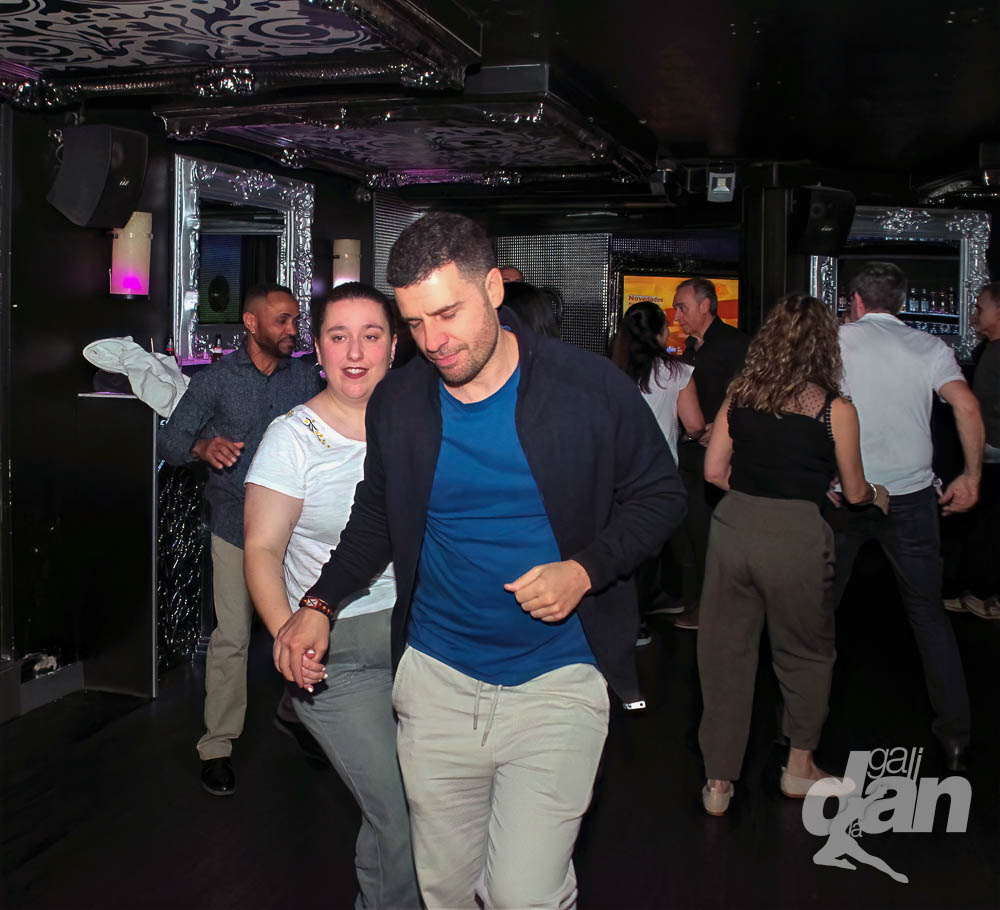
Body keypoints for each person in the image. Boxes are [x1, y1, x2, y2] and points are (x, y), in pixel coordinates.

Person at [273, 212, 686, 909]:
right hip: (436, 682)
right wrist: (318, 602)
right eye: (415, 323)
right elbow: (377, 515)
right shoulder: (401, 400)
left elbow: (662, 496)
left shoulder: (588, 388)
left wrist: (585, 569)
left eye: (448, 314)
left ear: (493, 288)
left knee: (524, 895)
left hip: (558, 679)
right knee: (446, 890)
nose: (433, 341)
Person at [243, 283, 419, 908]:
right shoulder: (292, 438)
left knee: (432, 809)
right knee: (398, 812)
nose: (355, 352)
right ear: (317, 350)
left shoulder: (425, 423)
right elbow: (261, 550)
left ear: (394, 346)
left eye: (371, 336)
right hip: (335, 655)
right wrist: (287, 635)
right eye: (338, 336)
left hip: (423, 641)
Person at [697, 294, 889, 817]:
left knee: (723, 657)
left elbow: (713, 472)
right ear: (826, 346)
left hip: (733, 527)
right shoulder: (835, 409)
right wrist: (878, 495)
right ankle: (799, 768)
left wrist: (757, 490)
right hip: (796, 536)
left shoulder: (740, 393)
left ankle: (718, 784)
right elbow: (854, 492)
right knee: (804, 654)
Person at [158, 283, 322, 796]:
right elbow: (169, 439)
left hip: (297, 530)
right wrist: (202, 446)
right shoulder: (216, 381)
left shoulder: (305, 378)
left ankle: (300, 715)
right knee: (232, 637)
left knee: (309, 627)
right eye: (282, 320)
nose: (293, 330)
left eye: (295, 320)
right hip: (237, 526)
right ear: (251, 324)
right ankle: (217, 746)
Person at [830, 262, 984, 772]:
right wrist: (971, 476)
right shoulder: (929, 347)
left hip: (847, 495)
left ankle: (796, 731)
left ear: (855, 301)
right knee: (928, 616)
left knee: (817, 613)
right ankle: (956, 737)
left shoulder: (834, 343)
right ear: (899, 302)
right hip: (912, 498)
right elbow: (966, 407)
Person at [610, 300, 705, 635]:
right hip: (657, 473)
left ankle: (623, 618)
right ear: (661, 333)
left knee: (619, 544)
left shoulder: (610, 371)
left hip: (614, 471)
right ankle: (636, 621)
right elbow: (694, 424)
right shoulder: (677, 372)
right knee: (651, 547)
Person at [672, 277, 749, 629]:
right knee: (690, 532)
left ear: (705, 306)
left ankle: (712, 609)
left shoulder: (734, 345)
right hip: (689, 454)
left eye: (682, 307)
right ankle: (692, 600)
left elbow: (749, 398)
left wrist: (720, 431)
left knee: (710, 534)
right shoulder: (690, 348)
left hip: (722, 457)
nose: (677, 315)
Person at [951, 282, 1000, 619]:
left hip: (994, 454)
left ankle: (984, 595)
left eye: (980, 308)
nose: (973, 315)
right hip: (990, 453)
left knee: (989, 528)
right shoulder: (989, 351)